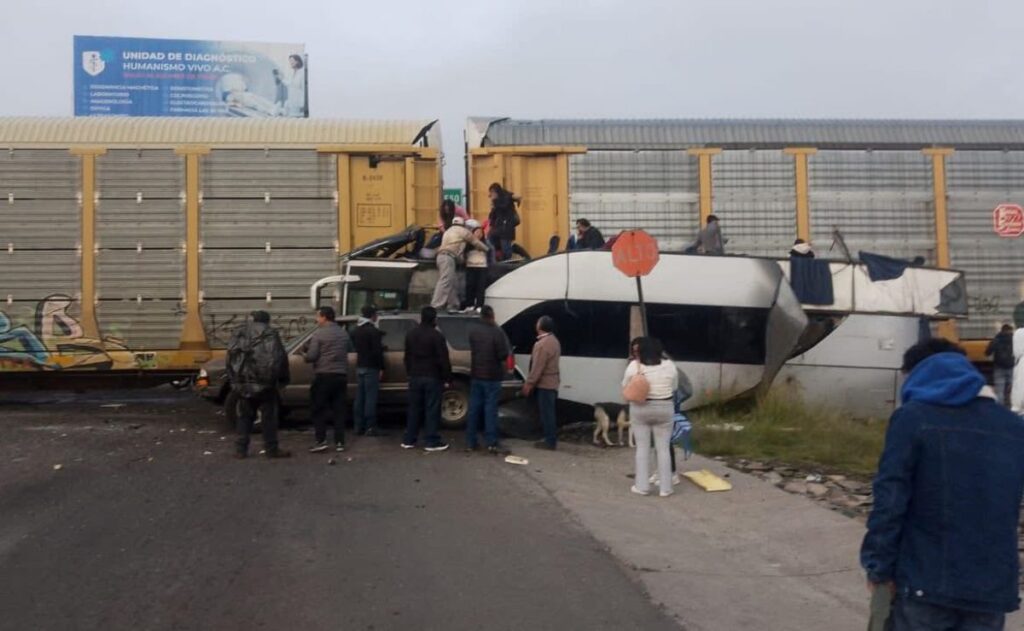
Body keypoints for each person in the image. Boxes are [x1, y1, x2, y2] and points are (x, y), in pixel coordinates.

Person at [861, 338, 1024, 630]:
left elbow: (890, 500)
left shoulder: (913, 418)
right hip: (991, 590)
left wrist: (878, 567)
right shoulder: (1014, 427)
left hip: (924, 584)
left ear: (917, 374)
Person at [226, 310, 291, 459]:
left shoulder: (239, 333)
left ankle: (241, 450)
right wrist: (283, 379)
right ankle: (271, 449)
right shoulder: (270, 333)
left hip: (243, 382)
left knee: (244, 416)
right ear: (267, 320)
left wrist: (234, 379)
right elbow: (278, 357)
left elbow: (230, 357)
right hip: (265, 383)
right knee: (269, 417)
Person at [622, 337, 678, 498]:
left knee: (642, 448)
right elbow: (674, 387)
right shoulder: (670, 365)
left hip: (641, 408)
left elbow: (625, 385)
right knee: (663, 448)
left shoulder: (634, 366)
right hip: (665, 407)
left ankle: (642, 486)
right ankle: (666, 488)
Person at [401, 306, 451, 452]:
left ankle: (409, 439)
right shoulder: (437, 336)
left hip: (415, 376)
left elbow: (407, 356)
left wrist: (409, 372)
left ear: (421, 317)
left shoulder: (411, 334)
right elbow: (443, 359)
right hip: (432, 376)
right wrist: (447, 378)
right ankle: (431, 441)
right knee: (432, 410)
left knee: (414, 408)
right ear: (434, 319)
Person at [302, 306, 350, 453]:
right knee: (339, 410)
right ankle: (340, 442)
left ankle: (321, 440)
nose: (316, 319)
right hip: (341, 376)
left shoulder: (319, 334)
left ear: (324, 317)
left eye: (318, 316)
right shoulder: (343, 333)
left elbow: (312, 356)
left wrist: (304, 354)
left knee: (318, 409)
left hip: (324, 376)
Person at [466, 305, 510, 454]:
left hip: (476, 375)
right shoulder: (496, 332)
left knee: (474, 409)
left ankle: (471, 441)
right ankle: (491, 442)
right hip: (492, 376)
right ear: (492, 316)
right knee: (490, 410)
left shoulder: (474, 332)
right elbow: (503, 354)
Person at [431, 216, 489, 312]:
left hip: (442, 257)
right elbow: (475, 242)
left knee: (452, 281)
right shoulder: (463, 231)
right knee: (445, 281)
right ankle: (436, 305)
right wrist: (487, 249)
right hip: (448, 257)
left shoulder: (448, 231)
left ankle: (454, 305)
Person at [522, 315, 561, 450]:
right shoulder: (554, 341)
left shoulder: (542, 344)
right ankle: (550, 438)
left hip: (545, 384)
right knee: (549, 412)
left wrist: (529, 384)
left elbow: (537, 367)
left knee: (546, 414)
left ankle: (550, 441)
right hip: (553, 382)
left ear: (540, 326)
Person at [352, 304, 386, 436]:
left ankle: (358, 426)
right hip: (372, 367)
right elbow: (377, 352)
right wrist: (382, 367)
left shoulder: (356, 330)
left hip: (360, 366)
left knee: (359, 398)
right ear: (373, 315)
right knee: (370, 398)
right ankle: (370, 427)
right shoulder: (373, 331)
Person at [487, 183, 520, 262]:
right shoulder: (496, 202)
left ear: (497, 191)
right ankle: (495, 260)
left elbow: (504, 206)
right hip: (498, 229)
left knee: (506, 249)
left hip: (506, 229)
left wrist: (495, 202)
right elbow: (492, 216)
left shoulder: (506, 199)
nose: (491, 195)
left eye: (492, 192)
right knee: (490, 240)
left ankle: (509, 261)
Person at [462, 219, 489, 313]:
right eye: (477, 232)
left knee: (480, 287)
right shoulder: (468, 243)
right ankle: (469, 304)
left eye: (480, 232)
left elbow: (489, 252)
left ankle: (479, 305)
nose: (479, 234)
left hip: (482, 267)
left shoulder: (486, 243)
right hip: (470, 266)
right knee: (470, 286)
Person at [985, 324, 1015, 406]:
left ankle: (1000, 407)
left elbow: (987, 353)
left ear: (1001, 330)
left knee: (999, 390)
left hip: (999, 367)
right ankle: (1011, 406)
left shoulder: (996, 340)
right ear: (1011, 330)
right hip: (1011, 367)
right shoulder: (1015, 340)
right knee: (1012, 389)